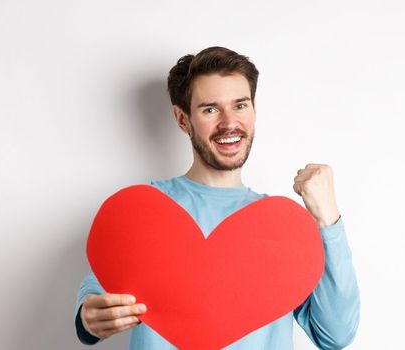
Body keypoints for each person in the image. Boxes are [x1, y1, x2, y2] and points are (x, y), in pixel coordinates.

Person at [74, 46, 360, 349]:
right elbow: (96, 299)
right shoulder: (145, 211)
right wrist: (88, 318)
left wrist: (329, 220)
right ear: (183, 120)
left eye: (240, 105)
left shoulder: (284, 228)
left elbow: (335, 335)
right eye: (210, 109)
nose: (229, 122)